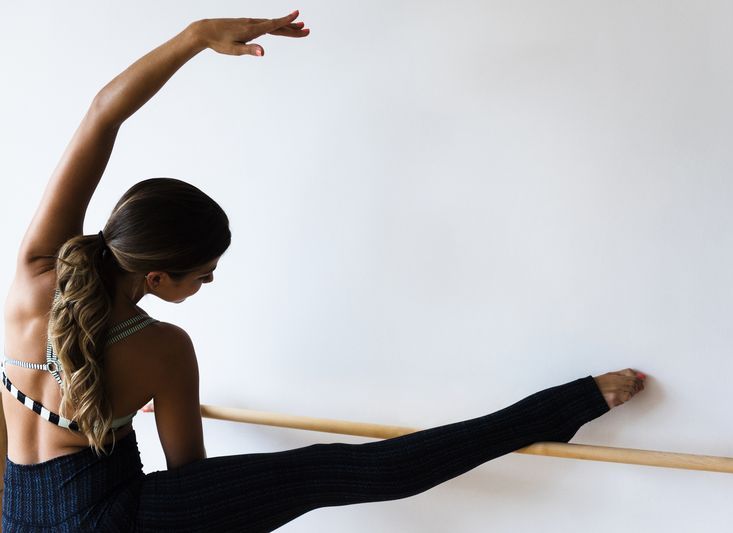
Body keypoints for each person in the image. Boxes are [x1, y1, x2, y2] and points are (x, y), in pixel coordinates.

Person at [0, 11, 646, 532]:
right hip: (116, 518)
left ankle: (570, 402)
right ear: (157, 277)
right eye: (203, 273)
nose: (210, 284)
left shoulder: (32, 275)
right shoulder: (163, 347)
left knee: (323, 473)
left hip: (15, 515)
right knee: (334, 472)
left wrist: (194, 36)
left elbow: (102, 114)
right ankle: (568, 403)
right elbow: (190, 478)